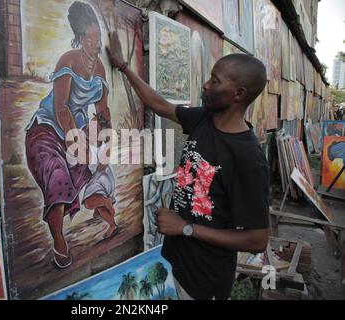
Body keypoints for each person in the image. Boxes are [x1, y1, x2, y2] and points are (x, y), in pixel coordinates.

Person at [106, 32, 270, 300]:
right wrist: (123, 66)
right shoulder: (205, 120)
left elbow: (257, 239)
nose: (205, 86)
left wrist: (185, 228)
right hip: (175, 263)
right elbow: (159, 104)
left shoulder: (248, 158)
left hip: (204, 282)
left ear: (238, 94)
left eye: (215, 81)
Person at [25, 1, 116, 269]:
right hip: (48, 130)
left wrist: (106, 146)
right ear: (79, 38)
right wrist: (79, 144)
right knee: (57, 175)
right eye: (89, 39)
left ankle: (105, 214)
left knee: (90, 172)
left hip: (75, 130)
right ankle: (58, 239)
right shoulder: (68, 60)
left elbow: (103, 111)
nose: (95, 44)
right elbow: (61, 108)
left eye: (98, 38)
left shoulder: (99, 68)